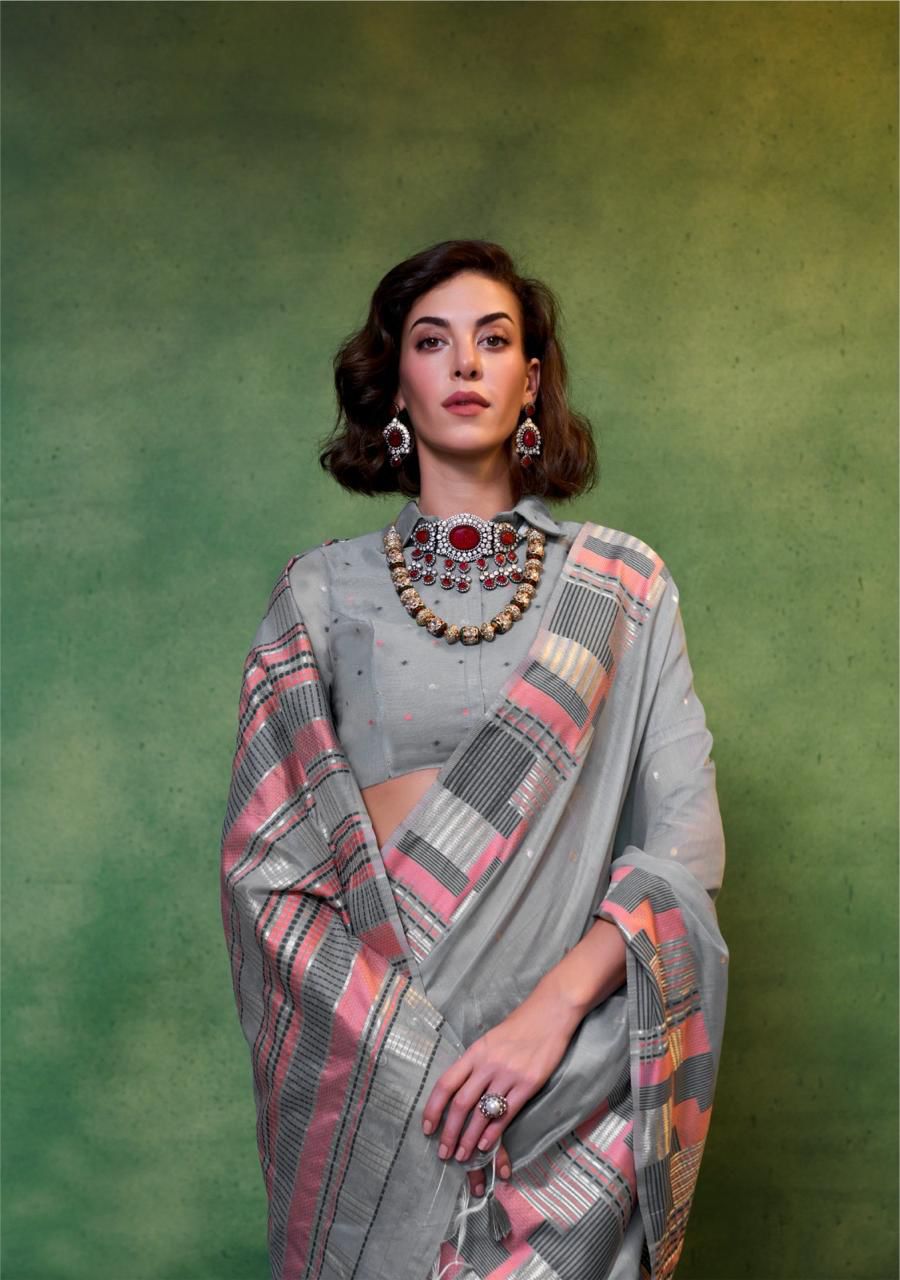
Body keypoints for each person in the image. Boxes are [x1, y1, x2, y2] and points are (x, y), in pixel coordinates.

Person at [219, 239, 728, 1280]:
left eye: (493, 341)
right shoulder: (321, 592)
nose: (464, 363)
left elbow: (683, 847)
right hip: (374, 1068)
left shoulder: (622, 587)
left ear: (529, 380)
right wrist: (405, 1054)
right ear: (394, 384)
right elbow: (267, 875)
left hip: (569, 1078)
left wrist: (551, 1019)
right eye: (432, 341)